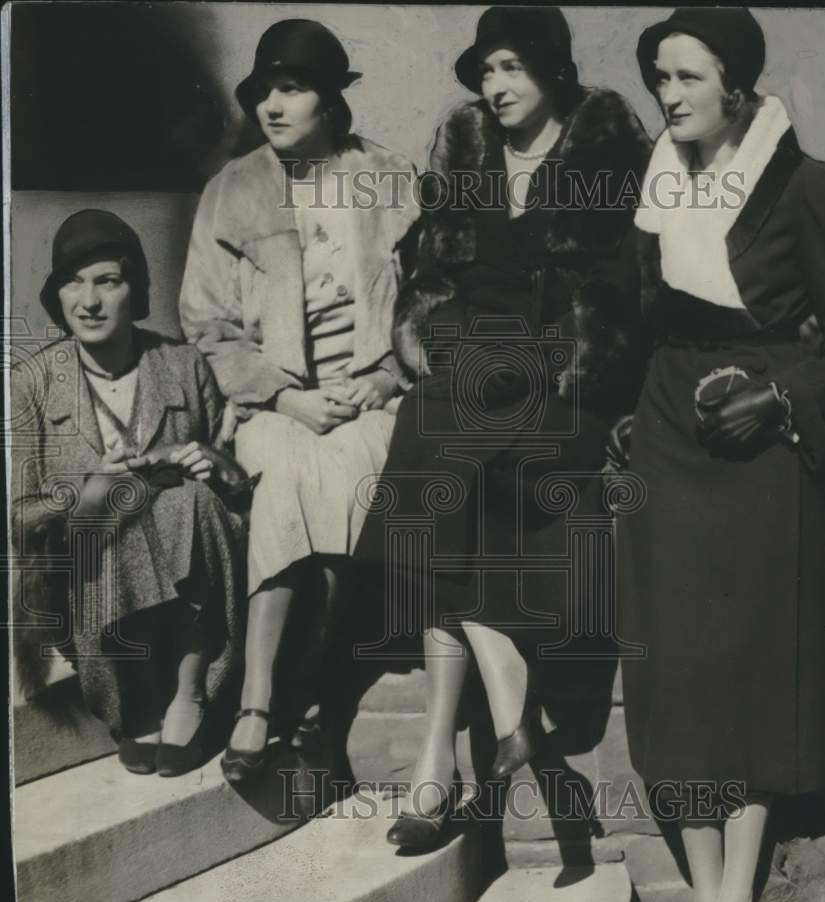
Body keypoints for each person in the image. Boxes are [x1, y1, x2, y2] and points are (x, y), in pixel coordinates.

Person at [355, 6, 651, 850]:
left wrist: (545, 363)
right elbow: (429, 282)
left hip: (564, 380)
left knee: (465, 474)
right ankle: (494, 726)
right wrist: (449, 345)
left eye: (512, 67)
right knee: (432, 435)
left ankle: (437, 768)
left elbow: (619, 297)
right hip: (469, 363)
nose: (495, 86)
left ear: (553, 70)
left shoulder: (603, 158)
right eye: (486, 71)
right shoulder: (466, 153)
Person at [618, 8, 825, 902]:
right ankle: (704, 894)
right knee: (679, 669)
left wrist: (781, 397)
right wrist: (624, 416)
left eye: (688, 77)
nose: (668, 96)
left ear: (736, 85)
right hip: (669, 436)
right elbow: (633, 325)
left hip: (759, 447)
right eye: (659, 77)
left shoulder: (805, 186)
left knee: (745, 668)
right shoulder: (655, 187)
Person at [179, 19, 420, 782]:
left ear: (330, 100)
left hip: (367, 396)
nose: (272, 107)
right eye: (263, 92)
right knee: (284, 477)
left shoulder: (389, 178)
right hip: (271, 404)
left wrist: (387, 378)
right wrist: (285, 398)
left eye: (292, 89)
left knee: (348, 474)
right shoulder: (231, 190)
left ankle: (308, 688)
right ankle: (260, 698)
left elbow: (431, 302)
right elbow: (206, 325)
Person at [11, 209, 247, 778]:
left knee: (192, 499)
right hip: (88, 584)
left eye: (107, 281)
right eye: (73, 282)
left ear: (133, 289)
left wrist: (213, 463)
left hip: (193, 581)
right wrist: (86, 494)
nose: (89, 301)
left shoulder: (183, 365)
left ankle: (189, 691)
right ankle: (134, 696)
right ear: (57, 296)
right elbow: (17, 520)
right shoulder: (32, 382)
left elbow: (239, 491)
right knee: (114, 509)